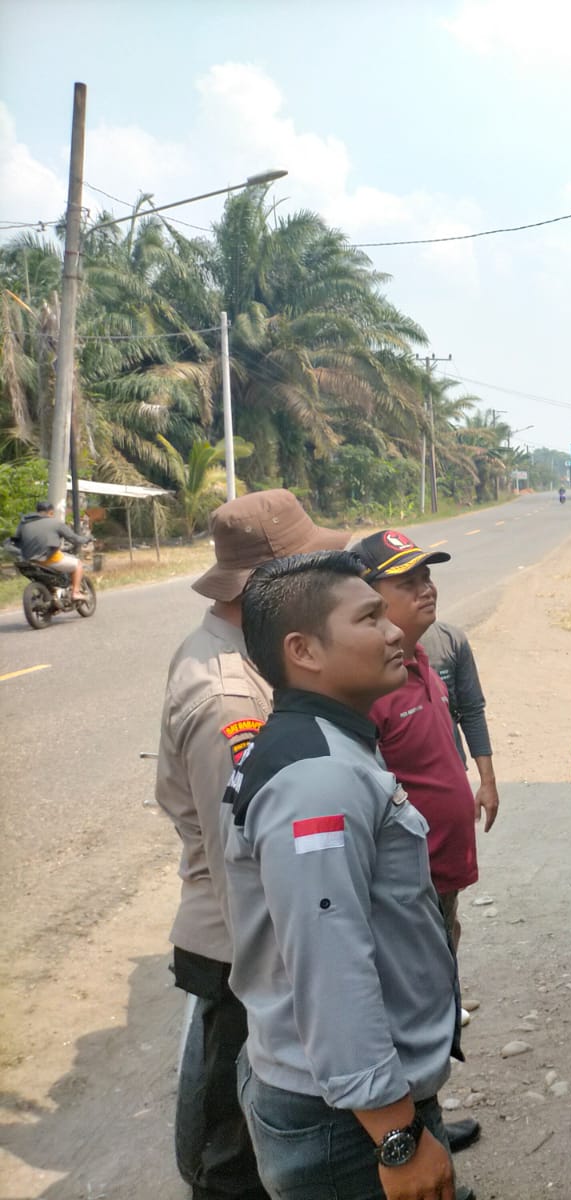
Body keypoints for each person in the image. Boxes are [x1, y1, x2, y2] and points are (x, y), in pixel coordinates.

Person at [226, 551, 467, 1200]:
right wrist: (396, 1136)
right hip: (344, 1123)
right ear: (304, 651)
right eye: (369, 618)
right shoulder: (317, 781)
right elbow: (331, 965)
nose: (394, 631)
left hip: (346, 1101)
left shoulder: (323, 743)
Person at [156, 490, 346, 1200]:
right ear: (270, 582)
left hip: (260, 936)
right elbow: (239, 848)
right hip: (244, 946)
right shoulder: (229, 697)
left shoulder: (252, 652)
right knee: (232, 1147)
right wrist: (285, 969)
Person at [349, 530, 485, 1155]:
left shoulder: (424, 660)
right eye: (406, 581)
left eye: (427, 576)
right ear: (366, 597)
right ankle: (406, 1140)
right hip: (407, 883)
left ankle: (427, 1116)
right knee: (405, 1004)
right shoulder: (368, 690)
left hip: (443, 874)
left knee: (436, 995)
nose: (426, 588)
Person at [417, 619, 498, 828]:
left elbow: (471, 711)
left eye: (427, 584)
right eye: (409, 586)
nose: (426, 592)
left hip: (451, 779)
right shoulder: (373, 651)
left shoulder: (451, 641)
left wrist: (487, 782)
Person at [14, 499, 88, 599]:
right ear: (51, 512)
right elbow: (74, 538)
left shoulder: (24, 524)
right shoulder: (55, 523)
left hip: (29, 560)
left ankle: (53, 591)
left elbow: (16, 541)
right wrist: (86, 539)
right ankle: (76, 592)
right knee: (78, 564)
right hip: (49, 559)